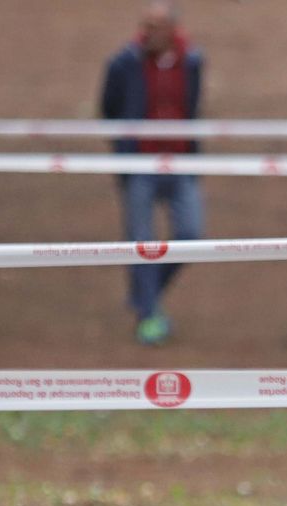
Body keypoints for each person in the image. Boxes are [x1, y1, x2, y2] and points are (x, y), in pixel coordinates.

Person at [99, 0, 205, 346]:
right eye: (144, 25)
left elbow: (192, 108)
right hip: (139, 166)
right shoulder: (123, 63)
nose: (147, 33)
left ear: (172, 29)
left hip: (182, 165)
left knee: (191, 235)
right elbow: (110, 109)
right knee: (141, 244)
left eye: (155, 26)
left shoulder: (192, 62)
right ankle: (149, 316)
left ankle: (144, 297)